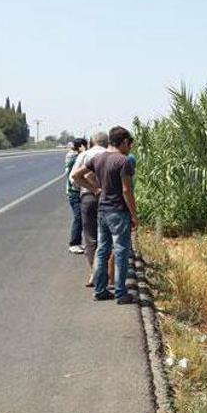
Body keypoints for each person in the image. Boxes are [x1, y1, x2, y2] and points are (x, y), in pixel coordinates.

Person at [72, 126, 138, 304]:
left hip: (103, 210)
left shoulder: (98, 158)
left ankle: (100, 290)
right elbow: (126, 190)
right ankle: (121, 292)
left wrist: (95, 189)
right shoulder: (123, 161)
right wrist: (134, 214)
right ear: (123, 142)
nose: (130, 147)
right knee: (121, 250)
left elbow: (76, 176)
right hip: (118, 212)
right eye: (129, 143)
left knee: (102, 250)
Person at [70, 133, 108, 287]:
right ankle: (106, 272)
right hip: (108, 198)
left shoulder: (84, 155)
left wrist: (92, 188)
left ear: (92, 142)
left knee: (90, 237)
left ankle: (94, 272)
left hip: (88, 198)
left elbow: (74, 178)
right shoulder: (110, 155)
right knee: (106, 236)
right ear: (107, 143)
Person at [65, 139, 87, 254]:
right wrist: (84, 151)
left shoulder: (74, 156)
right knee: (78, 217)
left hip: (74, 192)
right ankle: (74, 243)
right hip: (74, 192)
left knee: (80, 217)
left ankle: (77, 242)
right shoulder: (74, 157)